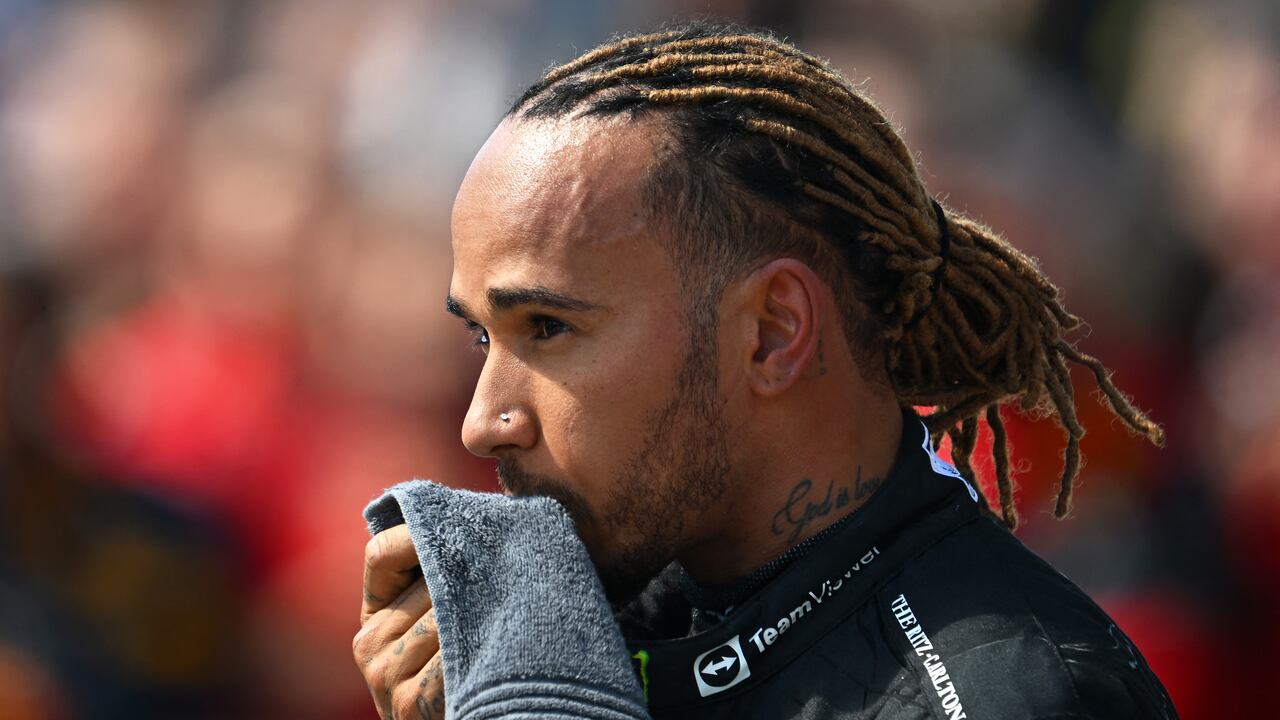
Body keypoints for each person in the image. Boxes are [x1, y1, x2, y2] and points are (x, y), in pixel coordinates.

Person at [353, 21, 1176, 719]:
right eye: (482, 339)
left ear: (773, 333)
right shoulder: (564, 632)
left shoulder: (1007, 694)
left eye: (548, 327)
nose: (483, 419)